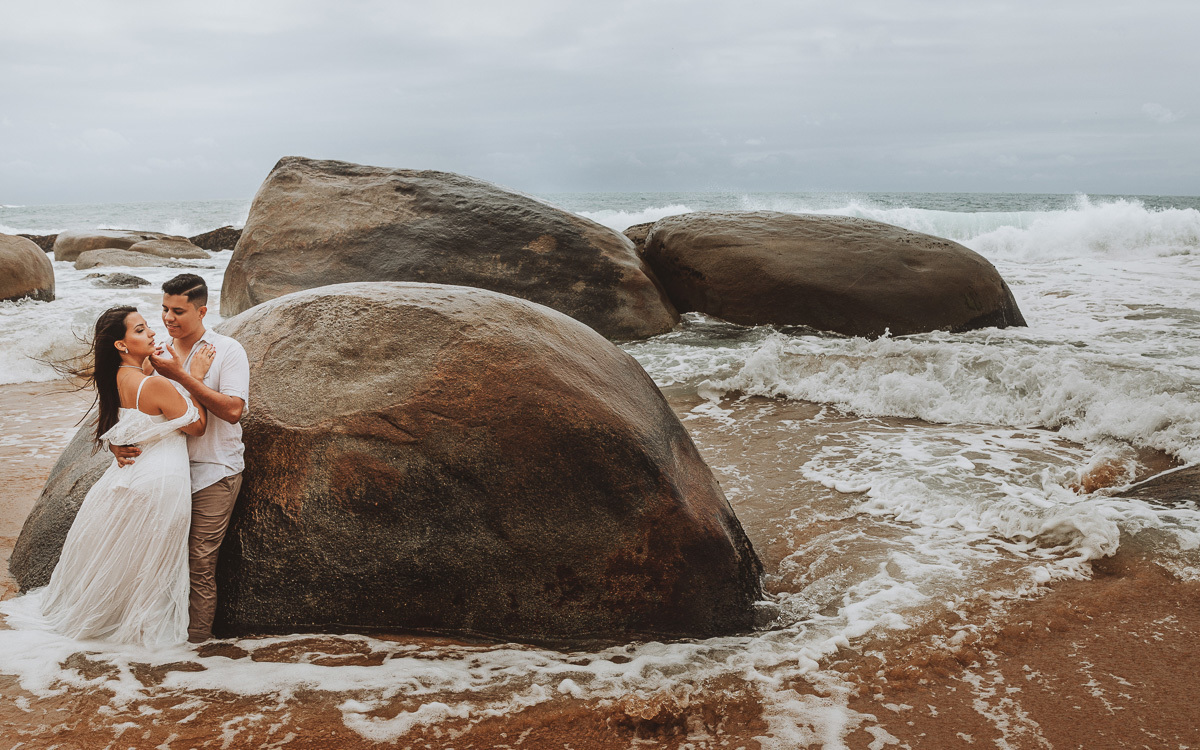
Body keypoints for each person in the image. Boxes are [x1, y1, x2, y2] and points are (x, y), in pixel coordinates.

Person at [1, 306, 213, 645]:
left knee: (126, 564)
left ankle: (114, 632)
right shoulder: (155, 385)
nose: (153, 333)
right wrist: (195, 376)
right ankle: (140, 639)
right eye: (141, 330)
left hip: (127, 477)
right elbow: (198, 427)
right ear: (121, 344)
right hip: (159, 481)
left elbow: (121, 425)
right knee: (152, 568)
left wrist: (156, 364)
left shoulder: (114, 379)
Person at [111, 274, 250, 643]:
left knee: (199, 563)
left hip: (214, 470)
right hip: (164, 474)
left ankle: (196, 647)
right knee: (156, 559)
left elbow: (234, 411)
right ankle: (155, 640)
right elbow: (133, 409)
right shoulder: (152, 356)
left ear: (202, 310)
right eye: (164, 309)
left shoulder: (227, 350)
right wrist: (116, 444)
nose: (168, 318)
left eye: (178, 311)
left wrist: (184, 376)